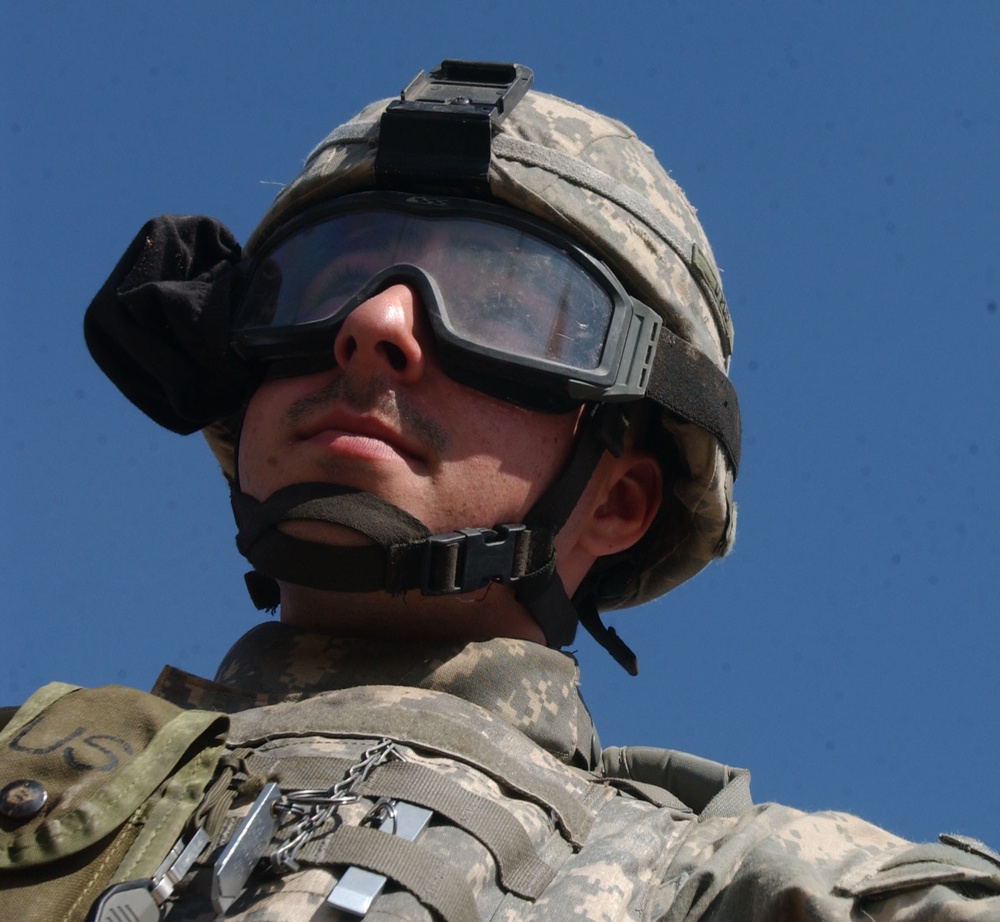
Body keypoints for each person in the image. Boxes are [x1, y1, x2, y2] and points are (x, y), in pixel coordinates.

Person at [1, 60, 996, 922]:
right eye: (323, 281)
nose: (376, 321)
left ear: (618, 499)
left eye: (499, 307)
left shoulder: (715, 886)